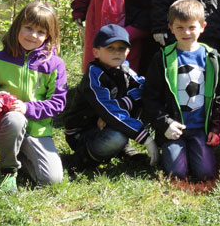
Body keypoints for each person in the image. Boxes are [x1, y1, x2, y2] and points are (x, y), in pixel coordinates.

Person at [143, 0, 220, 181]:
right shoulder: (163, 58)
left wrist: (215, 127)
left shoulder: (214, 59)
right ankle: (172, 152)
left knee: (205, 174)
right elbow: (150, 97)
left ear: (202, 26)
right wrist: (165, 124)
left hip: (201, 130)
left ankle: (196, 152)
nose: (186, 32)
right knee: (176, 174)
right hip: (175, 129)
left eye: (191, 27)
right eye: (180, 27)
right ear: (171, 28)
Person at [0, 1, 66, 191]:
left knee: (51, 180)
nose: (33, 35)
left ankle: (19, 155)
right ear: (17, 26)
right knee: (15, 119)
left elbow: (58, 103)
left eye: (40, 32)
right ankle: (7, 169)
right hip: (4, 125)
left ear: (48, 36)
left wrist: (27, 108)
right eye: (28, 28)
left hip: (37, 130)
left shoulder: (55, 65)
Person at [62, 24, 159, 170]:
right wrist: (145, 138)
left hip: (107, 121)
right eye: (110, 48)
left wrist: (123, 103)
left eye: (121, 48)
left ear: (128, 51)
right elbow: (108, 109)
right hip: (82, 132)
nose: (116, 53)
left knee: (140, 102)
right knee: (116, 137)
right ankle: (81, 159)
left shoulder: (124, 68)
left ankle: (121, 149)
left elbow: (144, 87)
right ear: (96, 52)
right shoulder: (94, 75)